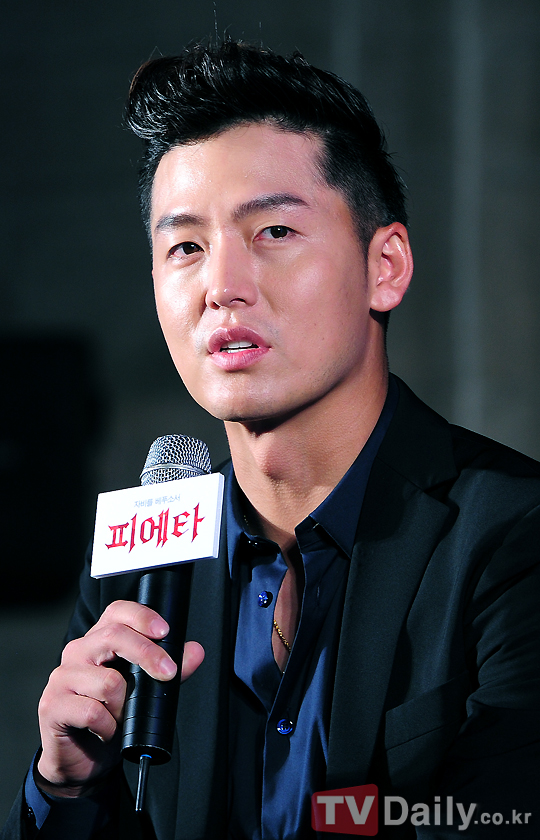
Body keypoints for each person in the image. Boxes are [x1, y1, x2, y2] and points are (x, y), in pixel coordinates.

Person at [2, 40, 539, 840]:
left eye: (275, 231)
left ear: (386, 266)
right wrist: (68, 789)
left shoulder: (513, 536)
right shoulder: (141, 570)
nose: (222, 287)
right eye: (186, 247)